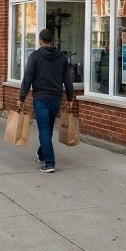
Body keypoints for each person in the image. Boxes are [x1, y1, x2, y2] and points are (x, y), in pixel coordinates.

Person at [18, 28, 75, 173]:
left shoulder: (35, 56)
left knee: (44, 129)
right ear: (53, 41)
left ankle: (49, 163)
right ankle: (42, 153)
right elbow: (67, 80)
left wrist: (21, 98)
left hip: (41, 99)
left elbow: (28, 78)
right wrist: (70, 98)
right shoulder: (62, 57)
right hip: (56, 98)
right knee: (48, 128)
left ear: (40, 41)